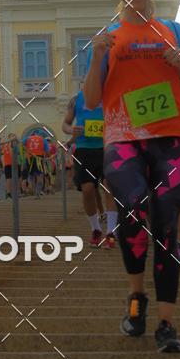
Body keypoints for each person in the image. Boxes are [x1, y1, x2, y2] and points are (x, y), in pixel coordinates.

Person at [84, 0, 180, 353]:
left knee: (168, 223)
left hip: (171, 136)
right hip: (123, 140)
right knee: (133, 206)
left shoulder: (173, 30)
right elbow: (89, 99)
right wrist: (98, 56)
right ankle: (136, 296)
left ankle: (167, 323)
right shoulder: (109, 36)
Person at [62, 86, 118, 248]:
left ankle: (111, 232)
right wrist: (72, 130)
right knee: (87, 190)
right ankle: (96, 229)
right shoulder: (76, 99)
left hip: (107, 147)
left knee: (109, 188)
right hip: (84, 150)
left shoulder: (109, 94)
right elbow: (65, 124)